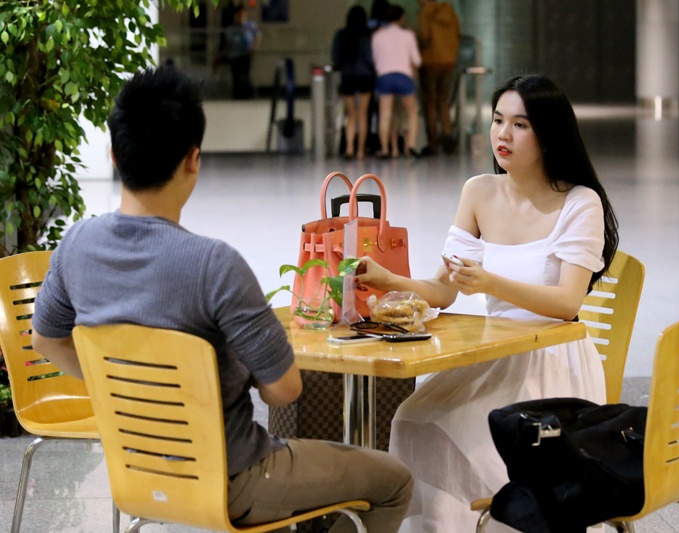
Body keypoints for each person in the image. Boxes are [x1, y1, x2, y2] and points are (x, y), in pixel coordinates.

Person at [30, 66, 413, 532]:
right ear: (193, 159)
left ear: (113, 155)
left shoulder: (75, 245)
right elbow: (285, 389)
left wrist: (129, 388)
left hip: (134, 470)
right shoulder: (214, 265)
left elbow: (45, 340)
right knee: (394, 480)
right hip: (237, 477)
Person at [354, 73, 619, 532]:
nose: (503, 134)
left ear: (548, 134)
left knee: (467, 434)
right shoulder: (478, 192)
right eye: (498, 120)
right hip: (495, 354)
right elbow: (444, 290)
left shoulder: (580, 202)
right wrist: (386, 278)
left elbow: (566, 302)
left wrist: (490, 282)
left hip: (552, 361)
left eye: (520, 124)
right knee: (414, 420)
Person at [371, 4, 422, 159]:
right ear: (402, 18)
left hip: (384, 77)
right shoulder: (408, 36)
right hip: (403, 77)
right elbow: (417, 60)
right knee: (412, 112)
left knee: (385, 114)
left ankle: (385, 149)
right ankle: (411, 145)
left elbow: (374, 59)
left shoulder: (378, 36)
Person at [417, 0, 460, 156]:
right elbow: (457, 34)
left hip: (430, 62)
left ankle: (433, 142)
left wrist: (415, 39)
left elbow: (424, 37)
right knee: (443, 100)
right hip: (449, 61)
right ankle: (447, 134)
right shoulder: (449, 11)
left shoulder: (425, 12)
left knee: (430, 102)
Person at [332, 6, 376, 160]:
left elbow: (336, 58)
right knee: (363, 114)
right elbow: (370, 58)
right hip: (365, 76)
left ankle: (349, 147)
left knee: (351, 115)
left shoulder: (341, 35)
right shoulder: (367, 36)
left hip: (348, 76)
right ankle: (360, 150)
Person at [225, 5, 261, 99]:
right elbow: (228, 42)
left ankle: (248, 95)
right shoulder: (232, 28)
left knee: (246, 75)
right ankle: (237, 96)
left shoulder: (251, 25)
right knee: (236, 76)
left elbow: (257, 36)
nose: (241, 16)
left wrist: (254, 46)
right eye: (239, 14)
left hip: (246, 54)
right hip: (235, 55)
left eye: (243, 14)